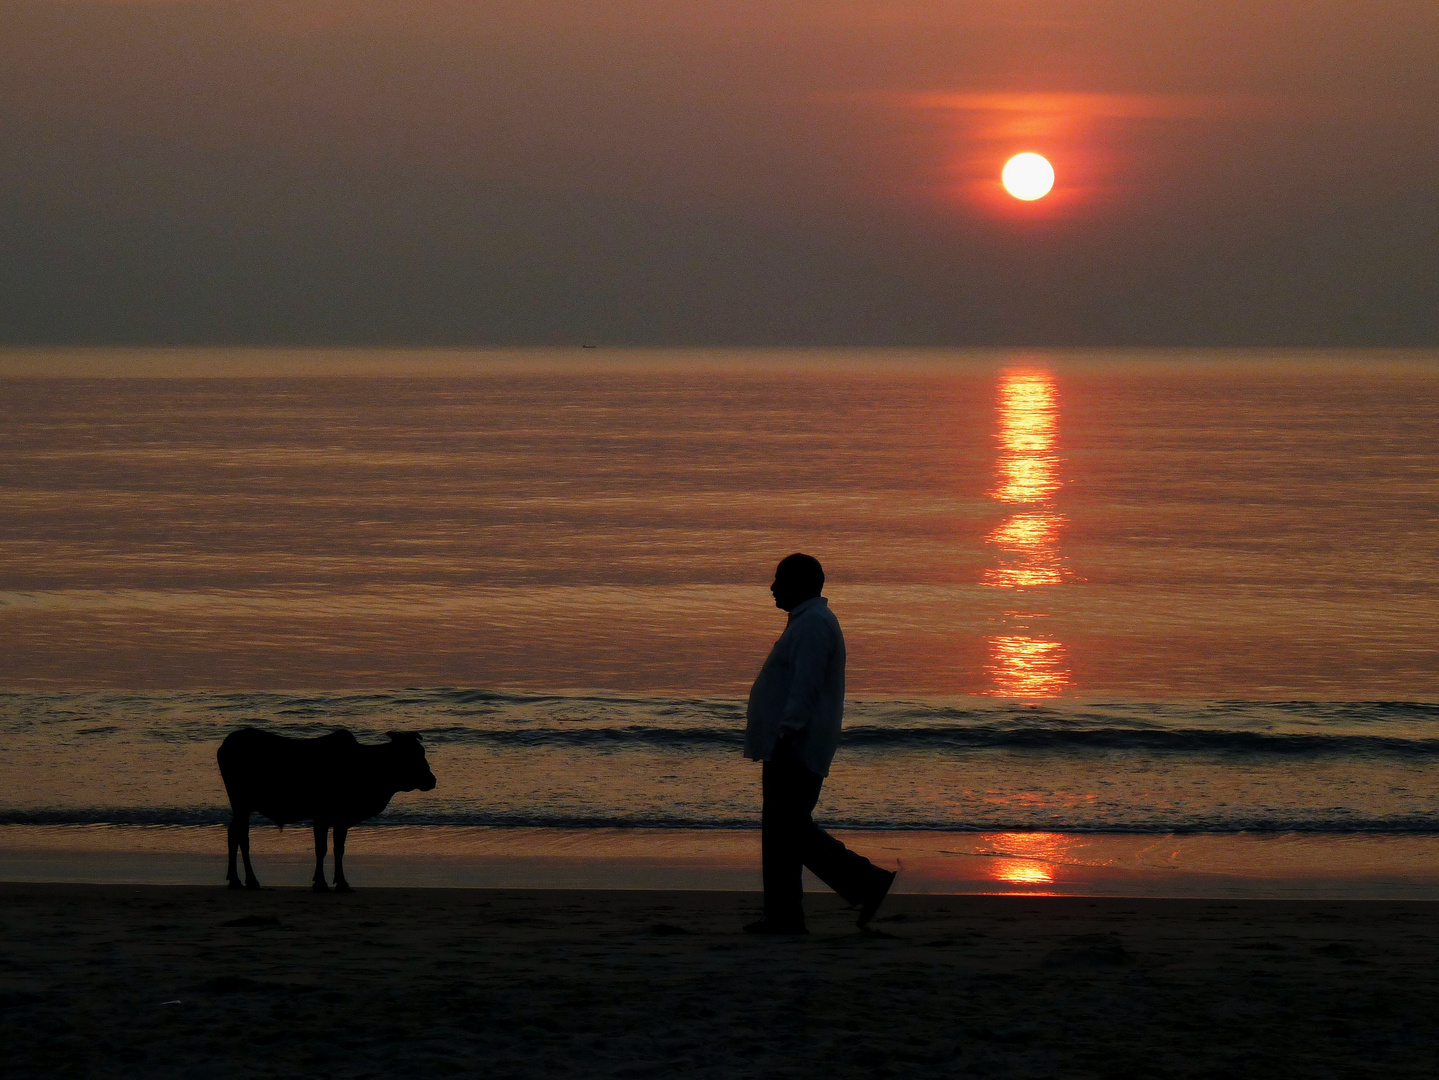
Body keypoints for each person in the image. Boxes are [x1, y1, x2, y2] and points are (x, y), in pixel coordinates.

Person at [743, 553, 896, 934]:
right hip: (791, 741)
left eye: (780, 581)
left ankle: (864, 882)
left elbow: (805, 688)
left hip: (795, 744)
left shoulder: (813, 624)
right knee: (784, 830)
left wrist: (787, 732)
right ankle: (785, 914)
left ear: (799, 585)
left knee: (788, 829)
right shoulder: (807, 622)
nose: (773, 588)